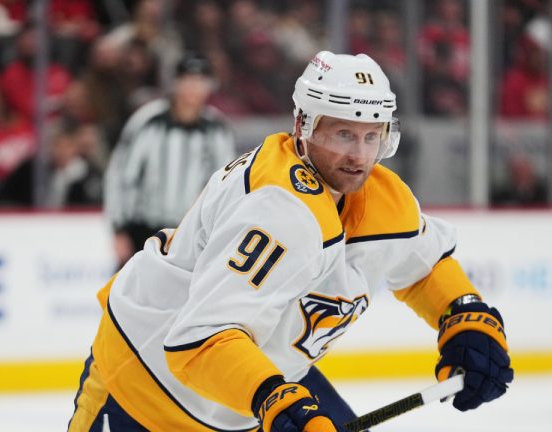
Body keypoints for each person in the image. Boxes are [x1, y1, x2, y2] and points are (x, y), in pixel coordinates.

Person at [69, 51, 513, 432]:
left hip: (246, 388)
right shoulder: (278, 210)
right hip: (145, 386)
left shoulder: (381, 197)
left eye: (371, 135)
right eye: (343, 134)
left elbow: (424, 263)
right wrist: (277, 402)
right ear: (303, 125)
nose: (359, 156)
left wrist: (465, 316)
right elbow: (200, 339)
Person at [103, 53, 236, 267]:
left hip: (190, 235)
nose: (194, 87)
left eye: (201, 81)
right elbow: (121, 176)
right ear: (175, 83)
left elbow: (225, 185)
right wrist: (119, 229)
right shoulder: (148, 121)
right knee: (131, 296)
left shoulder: (217, 130)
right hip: (144, 230)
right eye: (187, 80)